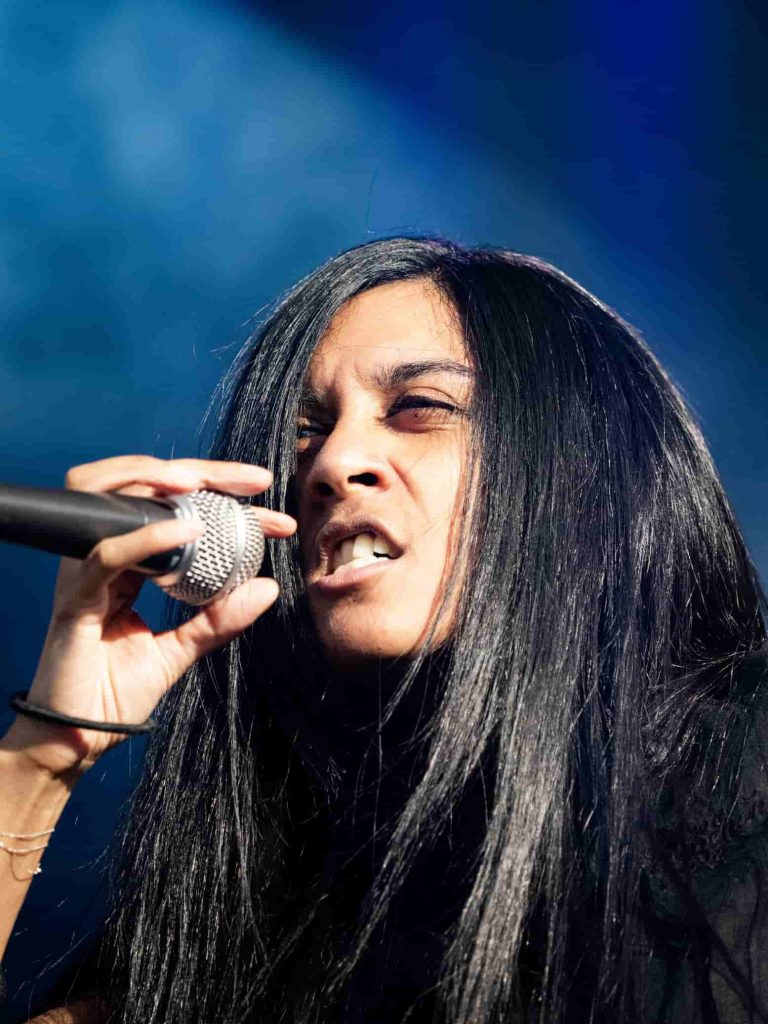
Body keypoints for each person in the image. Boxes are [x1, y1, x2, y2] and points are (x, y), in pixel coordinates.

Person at [0, 235, 766, 1024]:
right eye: (306, 431)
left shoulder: (740, 779)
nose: (333, 461)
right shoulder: (264, 901)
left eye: (419, 408)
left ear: (587, 468)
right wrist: (49, 749)